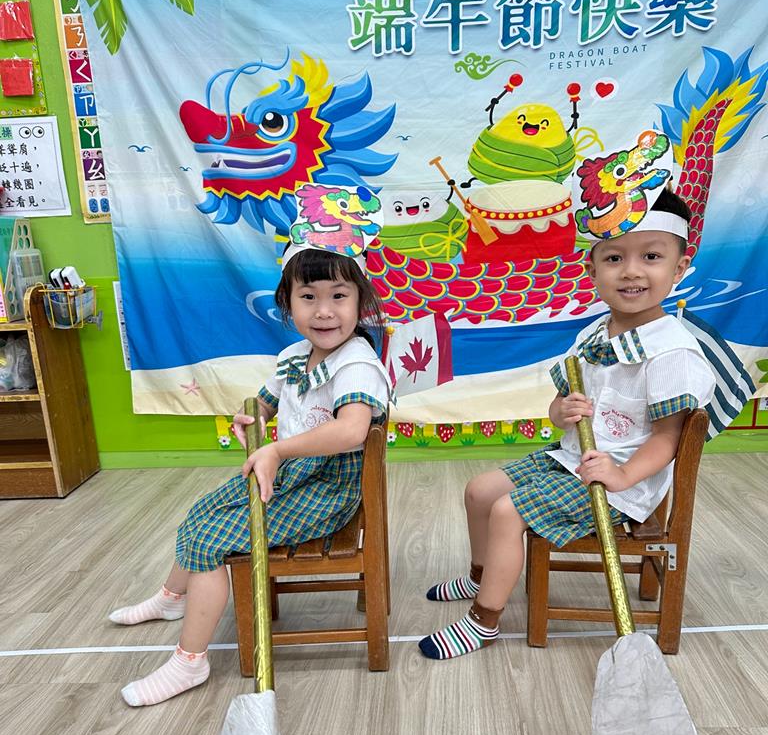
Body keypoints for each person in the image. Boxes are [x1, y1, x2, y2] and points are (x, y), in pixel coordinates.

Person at [418, 186, 716, 660]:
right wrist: (561, 412)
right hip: (570, 458)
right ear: (592, 270)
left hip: (620, 483)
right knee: (479, 491)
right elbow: (559, 404)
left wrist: (621, 475)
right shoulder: (593, 334)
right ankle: (481, 573)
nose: (631, 271)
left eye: (651, 256)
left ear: (679, 268)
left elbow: (668, 439)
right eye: (614, 258)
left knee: (506, 511)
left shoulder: (671, 353)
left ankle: (484, 619)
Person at [111, 207, 391, 705]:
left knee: (209, 539)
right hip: (290, 478)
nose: (324, 311)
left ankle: (189, 662)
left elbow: (352, 430)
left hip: (326, 492)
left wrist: (276, 448)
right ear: (287, 303)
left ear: (360, 301)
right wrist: (252, 418)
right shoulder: (292, 358)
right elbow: (263, 403)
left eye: (338, 296)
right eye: (308, 297)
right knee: (201, 511)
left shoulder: (357, 364)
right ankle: (173, 599)